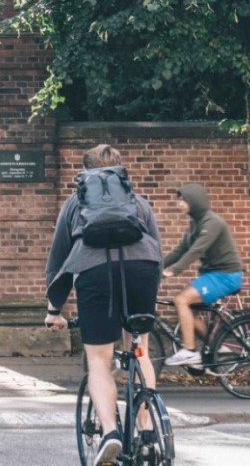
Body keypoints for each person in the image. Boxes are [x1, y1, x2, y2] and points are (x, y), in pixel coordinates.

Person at [44, 145, 162, 466]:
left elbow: (59, 260)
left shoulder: (75, 204)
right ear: (120, 172)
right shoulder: (138, 202)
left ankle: (110, 433)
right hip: (142, 270)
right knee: (139, 350)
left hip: (95, 275)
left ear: (84, 174)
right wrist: (150, 289)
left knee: (99, 359)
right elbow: (156, 249)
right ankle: (148, 429)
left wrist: (55, 309)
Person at [161, 182, 245, 367]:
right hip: (213, 275)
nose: (179, 204)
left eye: (184, 200)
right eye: (179, 200)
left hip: (226, 275)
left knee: (181, 300)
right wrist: (156, 267)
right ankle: (217, 346)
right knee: (189, 311)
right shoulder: (195, 223)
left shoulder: (212, 222)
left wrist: (173, 271)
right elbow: (180, 250)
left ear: (195, 201)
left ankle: (190, 351)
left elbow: (196, 250)